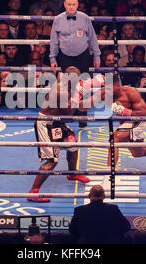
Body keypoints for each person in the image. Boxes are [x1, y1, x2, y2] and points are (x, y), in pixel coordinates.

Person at [27, 66, 105, 202]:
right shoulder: (60, 92)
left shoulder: (68, 85)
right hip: (46, 125)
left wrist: (96, 82)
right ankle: (34, 191)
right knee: (52, 162)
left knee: (73, 145)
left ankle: (72, 173)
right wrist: (86, 96)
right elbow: (68, 114)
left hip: (58, 122)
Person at [49, 0, 101, 74]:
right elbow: (54, 41)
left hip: (83, 55)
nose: (71, 7)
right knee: (67, 83)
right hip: (65, 56)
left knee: (83, 82)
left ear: (77, 5)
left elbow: (92, 38)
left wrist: (96, 56)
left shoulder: (85, 18)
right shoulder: (58, 19)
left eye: (73, 4)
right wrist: (53, 58)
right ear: (65, 5)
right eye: (69, 4)